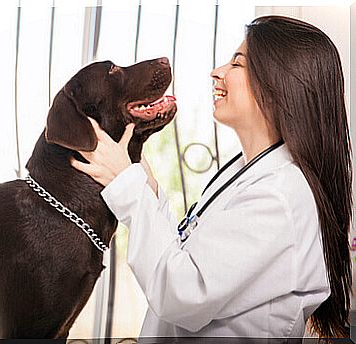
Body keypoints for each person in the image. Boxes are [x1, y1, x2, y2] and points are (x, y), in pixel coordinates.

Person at [70, 15, 352, 339]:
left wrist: (130, 191)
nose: (217, 72)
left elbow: (181, 293)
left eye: (237, 64)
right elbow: (187, 255)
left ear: (278, 84)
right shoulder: (246, 170)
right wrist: (144, 184)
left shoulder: (280, 196)